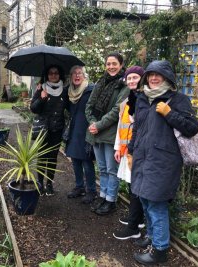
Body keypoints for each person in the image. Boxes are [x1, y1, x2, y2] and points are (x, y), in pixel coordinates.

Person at [127, 60, 198, 265]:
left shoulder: (177, 100)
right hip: (142, 159)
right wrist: (131, 152)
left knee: (156, 204)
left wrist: (169, 114)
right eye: (150, 75)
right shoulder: (142, 99)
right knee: (144, 199)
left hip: (163, 161)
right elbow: (138, 129)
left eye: (158, 75)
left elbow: (191, 128)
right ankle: (151, 236)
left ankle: (159, 250)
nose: (153, 78)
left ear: (168, 78)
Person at [85, 52, 129, 215]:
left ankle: (111, 200)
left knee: (111, 169)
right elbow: (89, 105)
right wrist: (92, 123)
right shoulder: (100, 82)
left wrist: (99, 124)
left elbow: (118, 109)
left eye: (114, 64)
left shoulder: (124, 85)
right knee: (102, 168)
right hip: (95, 132)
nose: (111, 67)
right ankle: (103, 196)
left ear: (121, 64)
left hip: (111, 133)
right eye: (108, 64)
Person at [112, 66, 146, 240]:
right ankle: (136, 220)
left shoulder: (145, 99)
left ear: (142, 79)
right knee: (133, 186)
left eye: (135, 78)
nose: (132, 81)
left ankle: (134, 227)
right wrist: (118, 147)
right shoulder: (127, 100)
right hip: (128, 150)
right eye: (129, 78)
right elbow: (121, 126)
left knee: (136, 186)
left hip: (139, 151)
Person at [30, 65, 69, 196]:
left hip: (56, 130)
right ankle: (40, 182)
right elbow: (33, 109)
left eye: (56, 73)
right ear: (47, 75)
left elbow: (69, 108)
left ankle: (49, 183)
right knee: (41, 157)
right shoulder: (41, 89)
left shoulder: (64, 91)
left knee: (52, 158)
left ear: (60, 75)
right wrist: (42, 98)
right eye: (51, 73)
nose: (53, 75)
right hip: (43, 129)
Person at [65, 65, 97, 204]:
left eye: (80, 73)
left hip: (86, 130)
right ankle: (79, 187)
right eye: (74, 74)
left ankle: (91, 190)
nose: (77, 76)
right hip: (74, 130)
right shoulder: (70, 92)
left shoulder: (90, 90)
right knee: (75, 160)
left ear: (84, 76)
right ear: (71, 77)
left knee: (86, 161)